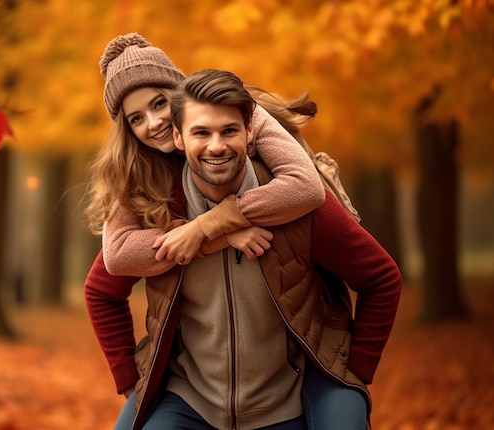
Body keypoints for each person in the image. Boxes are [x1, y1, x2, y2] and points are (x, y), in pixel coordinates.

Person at [90, 69, 402, 430]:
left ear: (250, 130)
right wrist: (130, 380)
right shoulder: (157, 209)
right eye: (201, 133)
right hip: (191, 396)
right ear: (179, 136)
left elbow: (381, 278)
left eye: (228, 131)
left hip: (297, 387)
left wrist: (359, 367)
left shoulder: (292, 201)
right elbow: (104, 284)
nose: (216, 145)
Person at [85, 33, 326, 279]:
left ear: (177, 95)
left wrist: (206, 225)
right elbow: (117, 255)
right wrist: (216, 238)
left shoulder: (236, 114)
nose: (154, 123)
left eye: (159, 104)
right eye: (137, 118)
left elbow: (306, 187)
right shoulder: (133, 163)